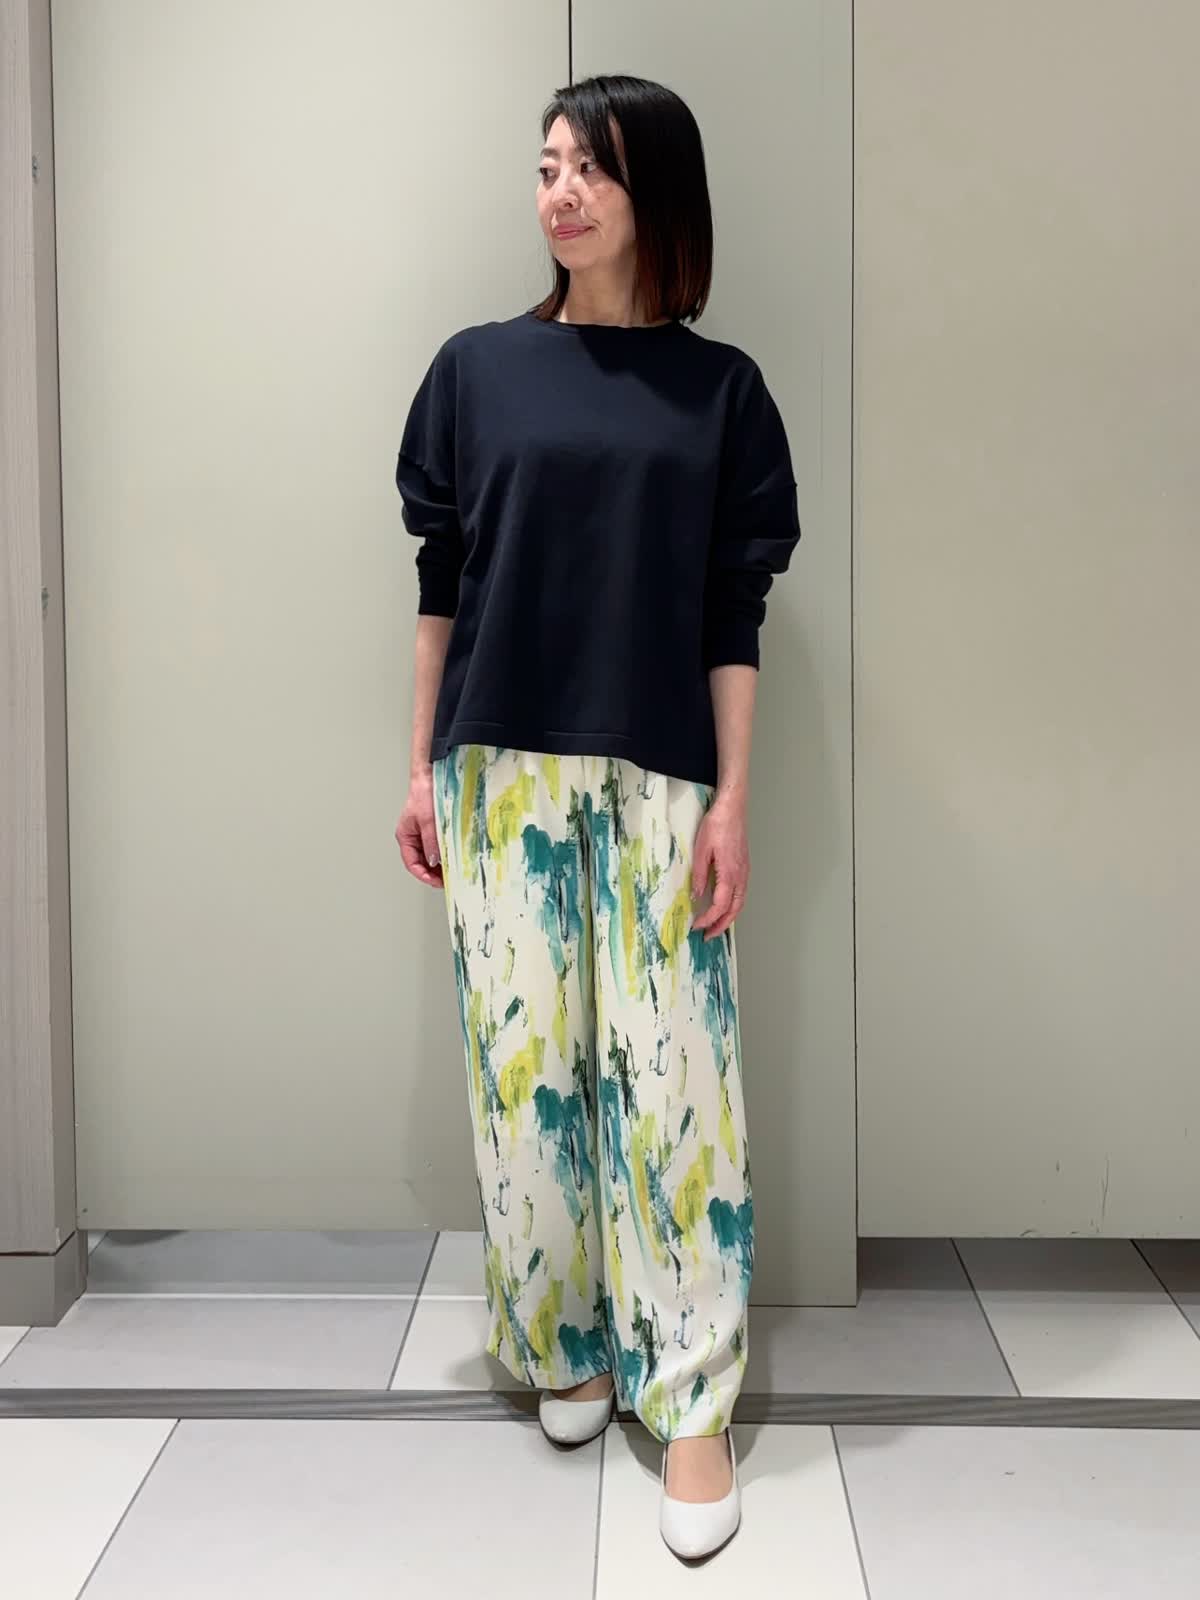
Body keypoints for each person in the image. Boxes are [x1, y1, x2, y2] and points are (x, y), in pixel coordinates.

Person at [393, 72, 801, 1561]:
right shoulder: (476, 371)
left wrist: (734, 801)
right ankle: (563, 1344)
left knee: (674, 1082)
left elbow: (732, 614)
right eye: (549, 165)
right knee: (525, 1076)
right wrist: (420, 765)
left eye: (594, 169)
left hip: (662, 769)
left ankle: (689, 1403)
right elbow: (441, 583)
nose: (561, 192)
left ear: (655, 194)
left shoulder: (721, 392)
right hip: (499, 765)